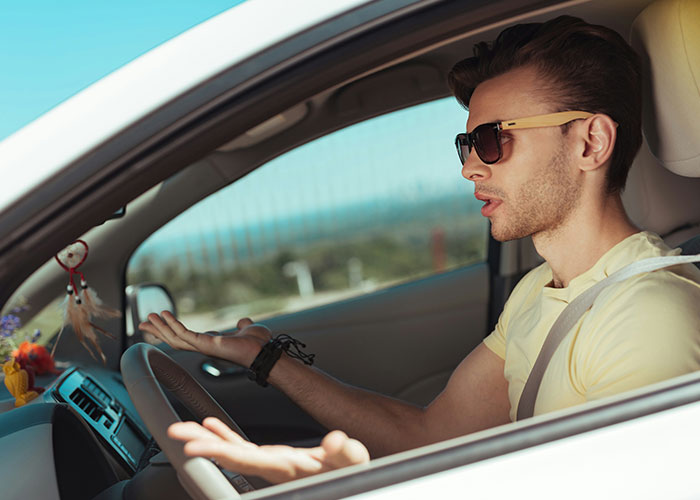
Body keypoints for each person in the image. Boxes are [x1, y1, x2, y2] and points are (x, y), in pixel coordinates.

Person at [140, 15, 700, 484]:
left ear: (589, 141)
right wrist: (267, 359)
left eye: (491, 140)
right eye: (466, 142)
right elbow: (429, 436)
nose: (468, 167)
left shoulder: (646, 318)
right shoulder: (541, 289)